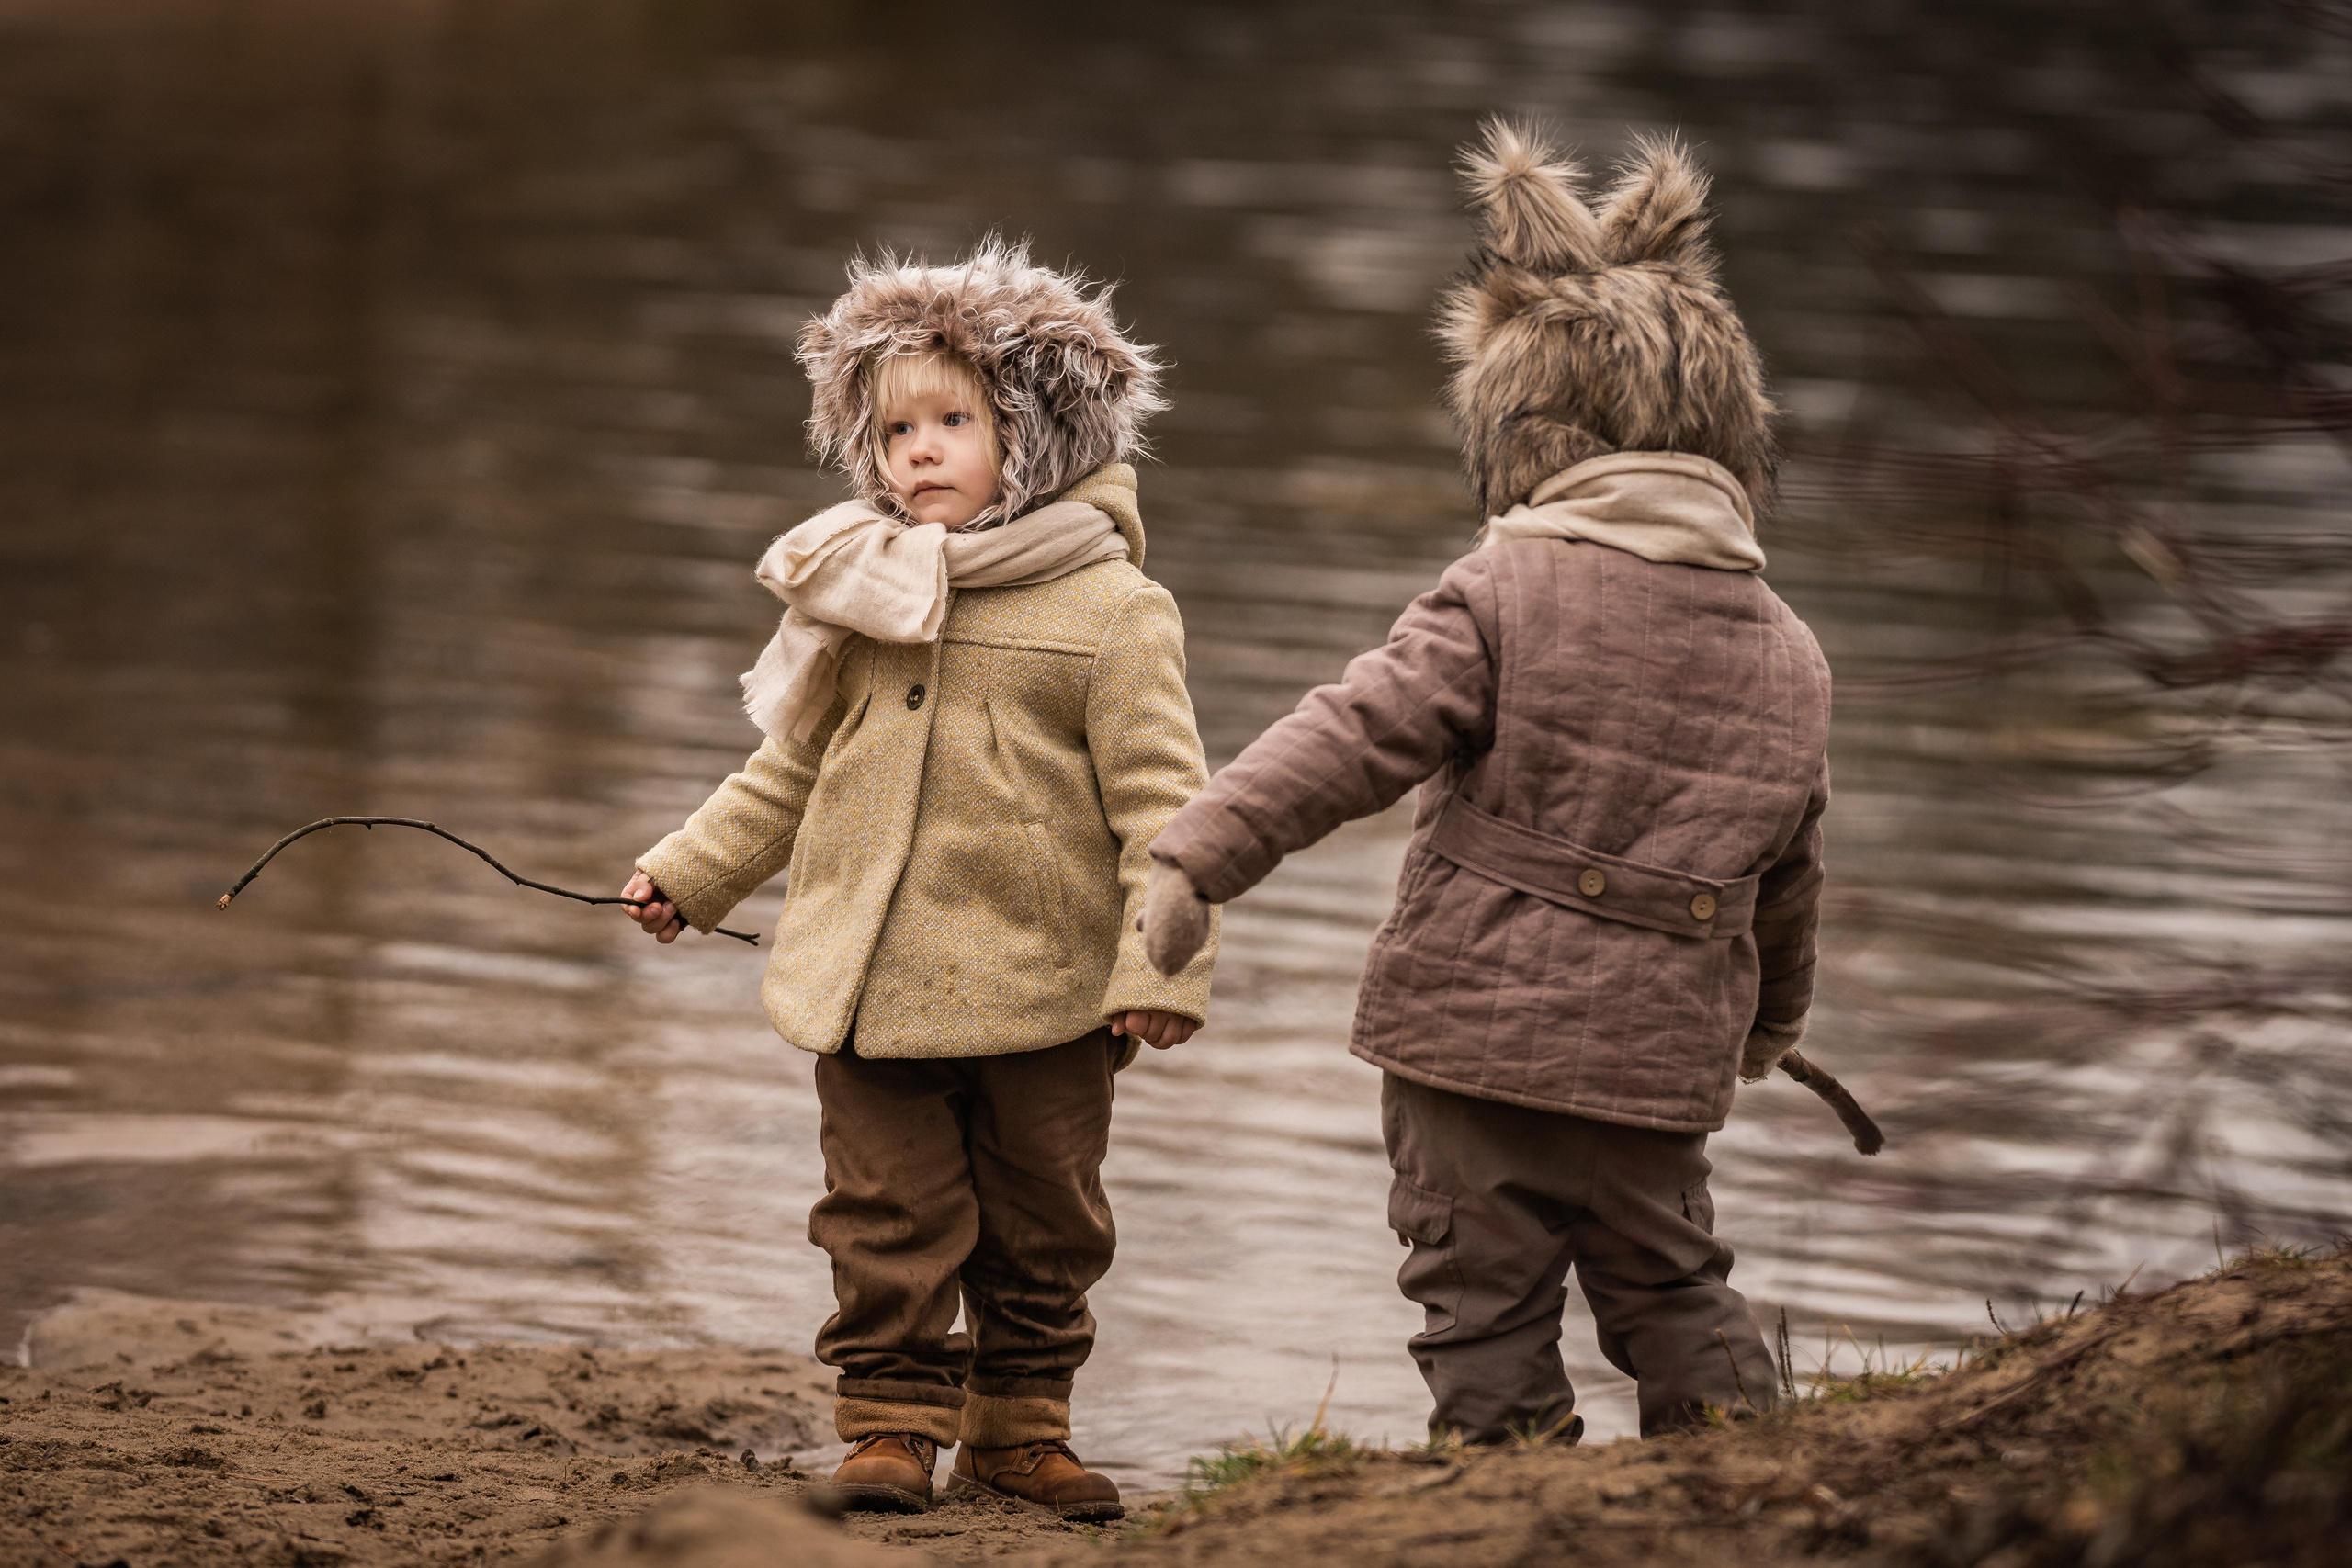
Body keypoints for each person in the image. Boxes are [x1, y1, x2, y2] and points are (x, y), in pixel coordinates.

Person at [1137, 122, 1828, 1444]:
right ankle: (1749, 1482)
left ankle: (1505, 1494)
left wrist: (1198, 855)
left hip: (1473, 1038)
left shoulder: (1506, 587)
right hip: (1661, 1058)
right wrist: (1767, 1028)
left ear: (1524, 422)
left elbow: (1354, 734)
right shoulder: (1792, 650)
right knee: (1674, 1284)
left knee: (1483, 1300)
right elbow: (1789, 874)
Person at [622, 240, 1216, 1519]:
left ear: (1042, 433)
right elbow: (789, 771)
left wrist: (1157, 967)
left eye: (956, 420)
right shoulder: (870, 588)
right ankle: (891, 1424)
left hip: (1047, 996)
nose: (919, 452)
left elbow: (1167, 812)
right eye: (894, 429)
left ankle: (1020, 1429)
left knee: (1045, 1226)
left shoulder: (1115, 610)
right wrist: (692, 874)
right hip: (875, 990)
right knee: (883, 1217)